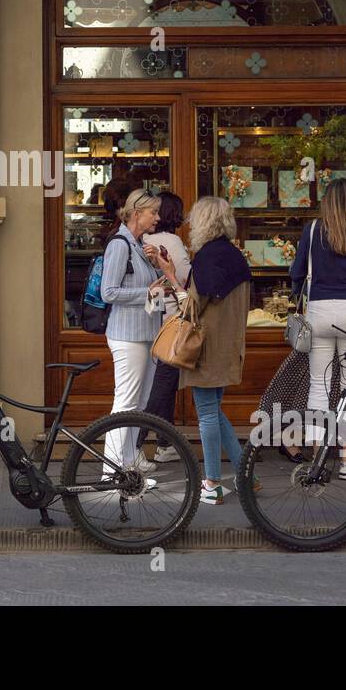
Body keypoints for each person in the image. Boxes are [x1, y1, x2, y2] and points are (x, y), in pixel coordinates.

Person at [151, 196, 252, 503]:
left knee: (206, 413)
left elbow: (192, 308)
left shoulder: (208, 257)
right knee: (215, 412)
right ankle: (246, 475)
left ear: (204, 222)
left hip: (205, 347)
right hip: (228, 343)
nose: (190, 224)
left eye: (195, 219)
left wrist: (169, 276)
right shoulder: (235, 256)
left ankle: (211, 483)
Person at [291, 178, 346, 479]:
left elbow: (297, 272)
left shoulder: (313, 230)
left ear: (326, 202)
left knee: (319, 384)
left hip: (319, 310)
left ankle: (317, 456)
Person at [99, 188, 163, 475]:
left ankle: (128, 463)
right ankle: (112, 470)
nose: (158, 218)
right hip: (128, 336)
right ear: (137, 213)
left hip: (145, 335)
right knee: (125, 403)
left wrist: (155, 267)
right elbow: (109, 292)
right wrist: (147, 291)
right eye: (153, 212)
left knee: (138, 404)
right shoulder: (120, 244)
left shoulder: (138, 244)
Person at [140, 191, 191, 463]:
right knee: (162, 385)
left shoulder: (143, 239)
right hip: (170, 324)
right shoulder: (171, 241)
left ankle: (165, 443)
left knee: (163, 384)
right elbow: (183, 277)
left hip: (148, 323)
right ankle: (136, 442)